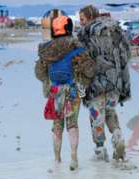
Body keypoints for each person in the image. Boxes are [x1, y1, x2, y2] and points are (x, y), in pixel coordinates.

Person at [35, 15, 96, 170]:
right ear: (69, 28)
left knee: (57, 124)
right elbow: (90, 71)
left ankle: (57, 159)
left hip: (54, 91)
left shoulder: (46, 48)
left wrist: (49, 83)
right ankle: (74, 157)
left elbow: (39, 73)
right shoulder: (76, 46)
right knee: (72, 123)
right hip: (74, 91)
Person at [77, 5, 131, 161]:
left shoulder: (85, 34)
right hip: (115, 82)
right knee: (110, 112)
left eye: (82, 19)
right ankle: (118, 136)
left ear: (89, 17)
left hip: (95, 83)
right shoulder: (116, 30)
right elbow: (126, 54)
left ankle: (100, 149)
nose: (80, 23)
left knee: (96, 116)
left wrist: (81, 87)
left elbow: (81, 61)